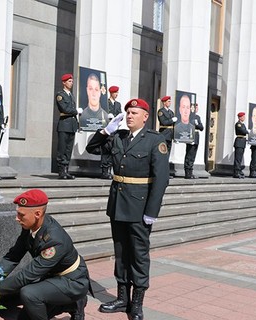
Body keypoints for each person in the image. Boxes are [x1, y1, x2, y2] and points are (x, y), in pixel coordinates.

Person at [86, 98, 170, 320]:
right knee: (121, 253)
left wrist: (152, 211)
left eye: (134, 112)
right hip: (117, 205)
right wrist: (106, 130)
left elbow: (161, 179)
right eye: (128, 113)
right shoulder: (118, 138)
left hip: (140, 206)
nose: (130, 116)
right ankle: (123, 298)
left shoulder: (155, 140)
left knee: (139, 255)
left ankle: (137, 304)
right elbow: (92, 148)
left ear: (145, 116)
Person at [0, 189, 90, 320]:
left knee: (29, 294)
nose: (17, 218)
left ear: (37, 214)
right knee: (7, 296)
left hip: (72, 281)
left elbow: (25, 277)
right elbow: (13, 256)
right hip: (50, 276)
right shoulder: (32, 224)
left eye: (21, 215)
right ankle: (63, 302)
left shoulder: (54, 240)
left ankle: (74, 302)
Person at [55, 73, 80, 180]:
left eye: (72, 81)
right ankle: (61, 171)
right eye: (69, 81)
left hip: (71, 125)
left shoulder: (71, 95)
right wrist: (76, 111)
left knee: (68, 149)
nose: (71, 83)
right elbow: (65, 109)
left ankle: (66, 170)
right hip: (64, 125)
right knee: (62, 148)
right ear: (64, 83)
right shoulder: (60, 95)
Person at [98, 86, 122, 179]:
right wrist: (108, 116)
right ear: (111, 93)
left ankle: (109, 170)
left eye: (117, 92)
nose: (116, 94)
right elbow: (102, 113)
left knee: (113, 149)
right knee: (105, 149)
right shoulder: (106, 103)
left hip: (114, 129)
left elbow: (120, 114)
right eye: (115, 92)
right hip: (107, 128)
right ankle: (104, 171)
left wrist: (118, 118)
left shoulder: (118, 104)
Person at [184, 103, 204, 179]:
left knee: (193, 156)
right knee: (189, 155)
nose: (196, 109)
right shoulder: (188, 116)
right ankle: (187, 173)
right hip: (190, 136)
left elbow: (202, 128)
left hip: (196, 137)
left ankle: (191, 172)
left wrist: (197, 124)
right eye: (195, 107)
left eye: (197, 107)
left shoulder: (198, 117)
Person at [233, 112, 249, 178]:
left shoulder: (243, 124)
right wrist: (248, 132)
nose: (244, 118)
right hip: (239, 142)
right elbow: (243, 131)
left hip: (242, 142)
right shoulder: (238, 124)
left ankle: (239, 171)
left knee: (240, 158)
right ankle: (236, 172)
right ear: (240, 117)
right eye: (243, 117)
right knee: (238, 158)